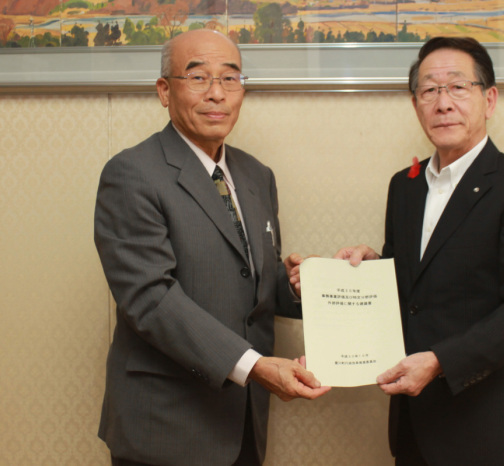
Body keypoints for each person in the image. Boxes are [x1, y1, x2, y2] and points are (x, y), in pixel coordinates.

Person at [94, 29, 330, 466]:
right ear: (165, 91)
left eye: (230, 78)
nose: (217, 94)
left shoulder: (257, 175)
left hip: (243, 425)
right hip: (166, 429)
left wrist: (299, 284)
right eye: (198, 77)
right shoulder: (131, 173)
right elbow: (150, 299)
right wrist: (255, 366)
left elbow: (250, 282)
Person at [331, 37, 504, 465]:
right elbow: (414, 289)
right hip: (415, 425)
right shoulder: (405, 186)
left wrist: (440, 362)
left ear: (489, 99)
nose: (443, 103)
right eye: (429, 90)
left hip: (489, 426)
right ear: (415, 103)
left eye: (458, 87)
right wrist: (368, 270)